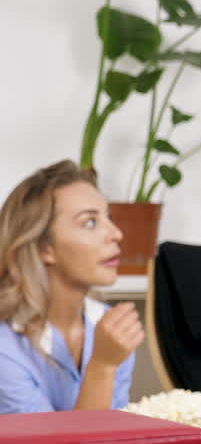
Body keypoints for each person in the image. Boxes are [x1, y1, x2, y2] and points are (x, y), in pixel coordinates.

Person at [0, 160, 143, 413]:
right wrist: (102, 366)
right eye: (90, 222)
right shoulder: (5, 347)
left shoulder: (110, 327)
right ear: (45, 248)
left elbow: (116, 439)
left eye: (108, 218)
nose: (116, 234)